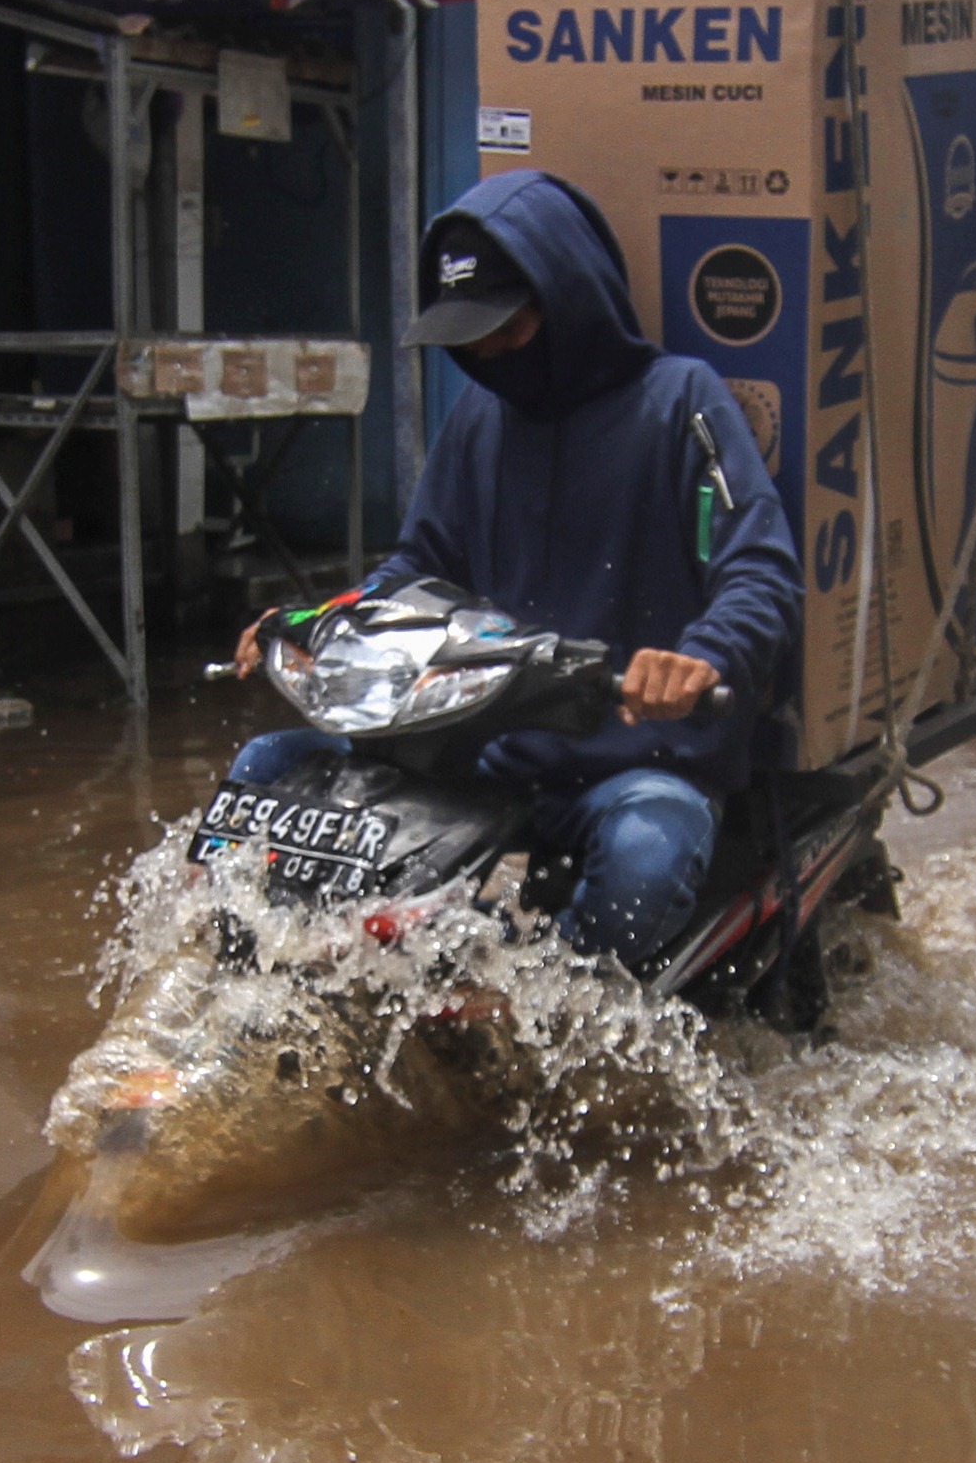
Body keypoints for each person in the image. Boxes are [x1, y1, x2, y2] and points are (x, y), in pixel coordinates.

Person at [227, 169, 800, 978]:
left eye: (508, 330)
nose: (490, 355)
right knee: (266, 773)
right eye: (471, 339)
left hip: (634, 761)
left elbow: (761, 571)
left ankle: (547, 1021)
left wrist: (700, 656)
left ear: (568, 296)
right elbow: (418, 567)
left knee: (643, 864)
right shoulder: (478, 421)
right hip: (480, 746)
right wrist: (323, 621)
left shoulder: (681, 403)